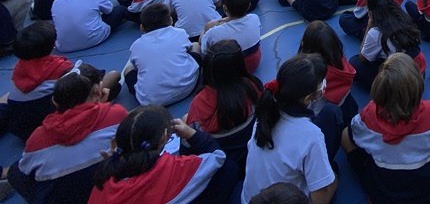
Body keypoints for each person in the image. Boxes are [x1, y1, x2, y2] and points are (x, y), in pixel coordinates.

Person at [7, 64, 127, 204]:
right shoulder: (116, 114)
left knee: (16, 171)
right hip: (107, 192)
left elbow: (26, 171)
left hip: (63, 198)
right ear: (97, 91)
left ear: (55, 102)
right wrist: (101, 106)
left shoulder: (37, 139)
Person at [342, 53, 430, 204]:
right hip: (426, 192)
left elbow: (355, 133)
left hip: (384, 195)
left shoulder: (370, 113)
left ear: (378, 88)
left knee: (346, 135)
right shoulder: (429, 110)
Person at [240, 54, 341, 204]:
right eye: (321, 82)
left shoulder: (264, 116)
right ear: (308, 98)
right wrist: (334, 180)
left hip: (250, 199)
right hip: (286, 199)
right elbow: (320, 199)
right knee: (334, 171)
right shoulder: (311, 136)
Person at [89, 106, 235, 203]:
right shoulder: (176, 169)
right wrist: (193, 135)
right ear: (164, 137)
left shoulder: (103, 184)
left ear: (116, 143)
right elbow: (222, 162)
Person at [186, 40, 264, 173]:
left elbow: (193, 140)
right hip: (252, 150)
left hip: (222, 160)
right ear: (240, 64)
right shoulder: (253, 86)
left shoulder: (199, 103)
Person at [123, 2, 200, 106]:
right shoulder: (180, 32)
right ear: (171, 20)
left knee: (129, 69)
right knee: (195, 45)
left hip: (150, 101)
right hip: (187, 86)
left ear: (142, 28)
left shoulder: (136, 45)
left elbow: (136, 66)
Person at [51, 0, 127, 53]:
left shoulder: (56, 2)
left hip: (64, 46)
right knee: (121, 9)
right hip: (94, 39)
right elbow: (109, 10)